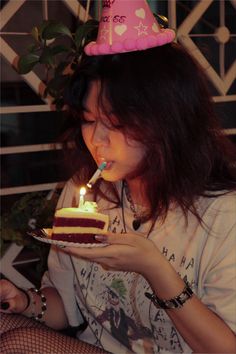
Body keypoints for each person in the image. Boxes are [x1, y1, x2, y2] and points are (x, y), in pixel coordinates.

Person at [1, 3, 236, 354]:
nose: (96, 140)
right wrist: (25, 302)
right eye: (88, 119)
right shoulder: (90, 193)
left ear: (168, 123)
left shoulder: (224, 216)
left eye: (117, 124)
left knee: (19, 343)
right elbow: (66, 308)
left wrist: (156, 269)